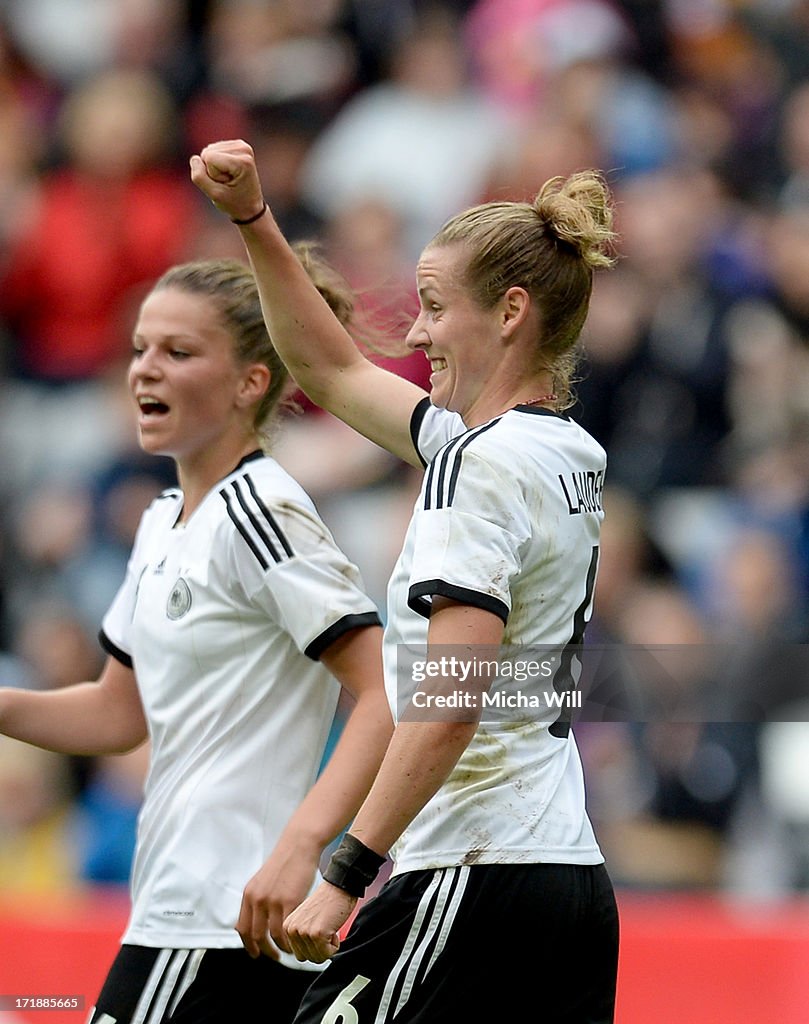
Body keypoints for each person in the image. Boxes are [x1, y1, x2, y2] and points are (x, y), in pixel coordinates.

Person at [191, 139, 620, 1023]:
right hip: (564, 882)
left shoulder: (477, 468)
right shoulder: (563, 451)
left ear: (509, 311)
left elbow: (452, 698)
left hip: (472, 876)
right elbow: (334, 369)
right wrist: (253, 220)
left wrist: (344, 873)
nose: (415, 332)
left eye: (431, 307)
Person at [0, 254, 393, 1024]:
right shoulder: (162, 520)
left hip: (221, 913)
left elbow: (384, 689)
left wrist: (305, 848)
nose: (146, 370)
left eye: (179, 353)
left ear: (251, 382)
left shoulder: (259, 511)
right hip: (191, 909)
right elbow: (117, 715)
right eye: (141, 348)